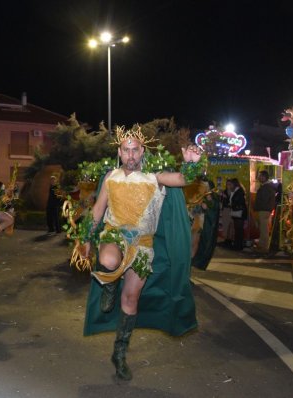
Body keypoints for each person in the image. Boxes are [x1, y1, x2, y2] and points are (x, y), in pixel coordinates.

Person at [78, 125, 201, 381]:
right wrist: (86, 238)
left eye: (135, 150)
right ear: (120, 152)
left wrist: (190, 164)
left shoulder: (154, 177)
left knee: (131, 300)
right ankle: (109, 285)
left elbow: (182, 179)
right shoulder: (111, 177)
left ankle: (119, 353)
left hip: (142, 247)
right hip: (114, 236)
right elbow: (98, 211)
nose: (131, 155)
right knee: (109, 260)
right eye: (126, 150)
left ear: (142, 151)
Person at [253, 171, 276, 254]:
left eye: (260, 176)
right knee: (263, 229)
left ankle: (264, 247)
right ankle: (262, 245)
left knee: (264, 229)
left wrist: (257, 207)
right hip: (265, 210)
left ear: (264, 177)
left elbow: (263, 200)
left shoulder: (266, 187)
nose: (258, 178)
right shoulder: (267, 187)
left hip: (263, 210)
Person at [229, 178, 248, 251]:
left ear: (234, 184)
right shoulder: (237, 191)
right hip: (237, 212)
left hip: (239, 212)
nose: (230, 186)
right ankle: (237, 244)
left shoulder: (239, 191)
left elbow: (238, 201)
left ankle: (238, 245)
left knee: (239, 229)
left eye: (231, 184)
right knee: (237, 229)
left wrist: (232, 205)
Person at [220, 179, 235, 247]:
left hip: (232, 210)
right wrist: (221, 196)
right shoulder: (224, 191)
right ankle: (226, 239)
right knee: (226, 224)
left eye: (229, 184)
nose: (228, 185)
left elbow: (233, 201)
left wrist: (227, 198)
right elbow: (222, 200)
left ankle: (231, 238)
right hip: (226, 209)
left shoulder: (234, 191)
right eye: (227, 184)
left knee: (231, 225)